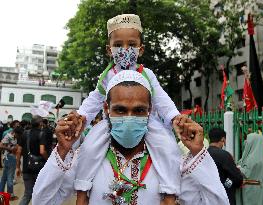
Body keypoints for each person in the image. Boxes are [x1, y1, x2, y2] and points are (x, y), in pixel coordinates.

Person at [32, 70, 229, 205]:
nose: (129, 118)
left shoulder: (170, 164)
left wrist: (198, 154)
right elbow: (42, 201)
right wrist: (62, 150)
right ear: (106, 109)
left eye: (138, 110)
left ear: (150, 111)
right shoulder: (85, 159)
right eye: (120, 110)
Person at [65, 14, 187, 202]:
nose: (125, 49)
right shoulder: (106, 76)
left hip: (146, 124)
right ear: (109, 50)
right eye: (118, 45)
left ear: (141, 48)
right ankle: (82, 188)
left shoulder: (147, 74)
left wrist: (174, 117)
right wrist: (81, 116)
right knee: (88, 149)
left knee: (169, 149)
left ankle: (170, 191)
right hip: (111, 125)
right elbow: (94, 100)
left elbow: (162, 99)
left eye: (131, 44)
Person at [16, 116, 48, 205]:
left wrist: (18, 167)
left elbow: (18, 151)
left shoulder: (25, 134)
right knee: (40, 194)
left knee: (27, 194)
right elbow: (42, 151)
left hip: (26, 167)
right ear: (40, 124)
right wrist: (48, 159)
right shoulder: (42, 134)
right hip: (39, 168)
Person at [207, 128, 243, 205]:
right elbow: (237, 178)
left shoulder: (203, 154)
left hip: (207, 197)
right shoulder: (224, 155)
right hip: (224, 198)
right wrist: (226, 184)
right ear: (223, 139)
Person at [236, 133, 263, 205]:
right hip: (256, 189)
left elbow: (246, 173)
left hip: (251, 190)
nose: (245, 142)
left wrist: (236, 167)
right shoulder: (259, 156)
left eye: (248, 141)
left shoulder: (252, 158)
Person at [0, 127, 23, 200]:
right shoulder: (9, 136)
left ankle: (1, 194)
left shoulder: (12, 136)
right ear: (16, 133)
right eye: (19, 135)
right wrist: (11, 149)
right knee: (10, 178)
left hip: (8, 158)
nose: (19, 136)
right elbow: (1, 145)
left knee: (4, 178)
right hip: (10, 157)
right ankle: (10, 195)